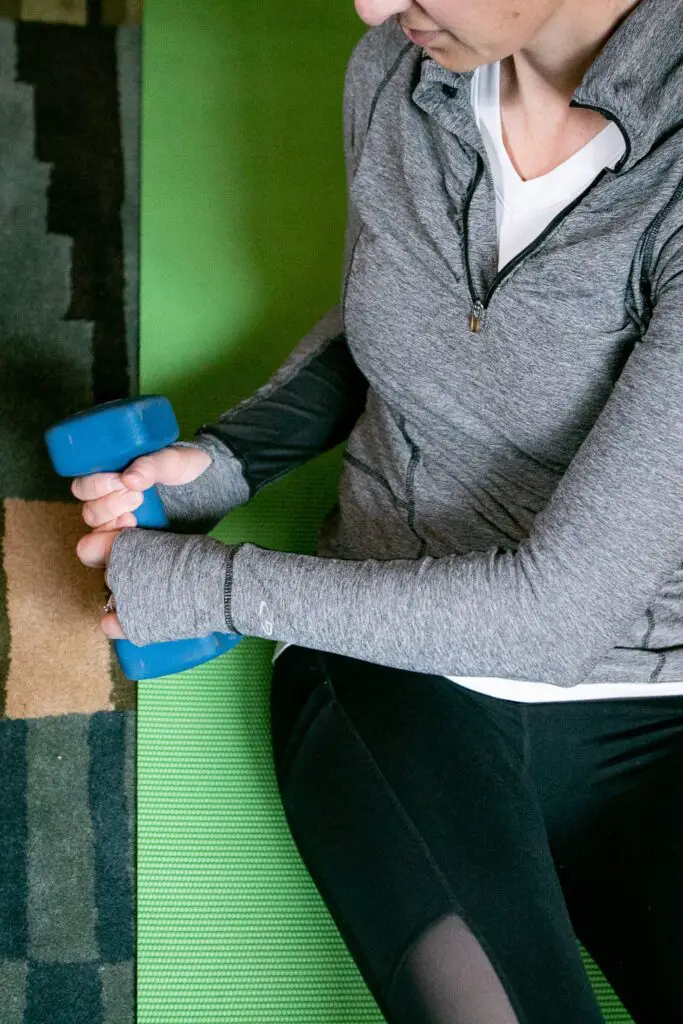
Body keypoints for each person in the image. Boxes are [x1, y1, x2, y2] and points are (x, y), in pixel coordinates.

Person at [73, 0, 683, 1020]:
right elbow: (390, 314)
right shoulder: (398, 72)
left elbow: (557, 615)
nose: (367, 3)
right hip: (388, 660)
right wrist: (222, 462)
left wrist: (216, 588)